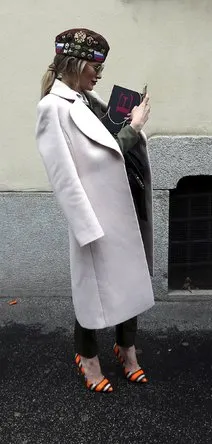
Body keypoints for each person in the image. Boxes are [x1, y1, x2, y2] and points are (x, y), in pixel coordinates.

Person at [36, 28, 154, 392]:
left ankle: (126, 349)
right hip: (98, 212)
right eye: (95, 67)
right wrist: (133, 128)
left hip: (128, 201)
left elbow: (107, 146)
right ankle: (87, 358)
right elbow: (63, 176)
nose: (99, 75)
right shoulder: (52, 108)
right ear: (76, 63)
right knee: (94, 289)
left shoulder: (89, 98)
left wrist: (127, 122)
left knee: (131, 279)